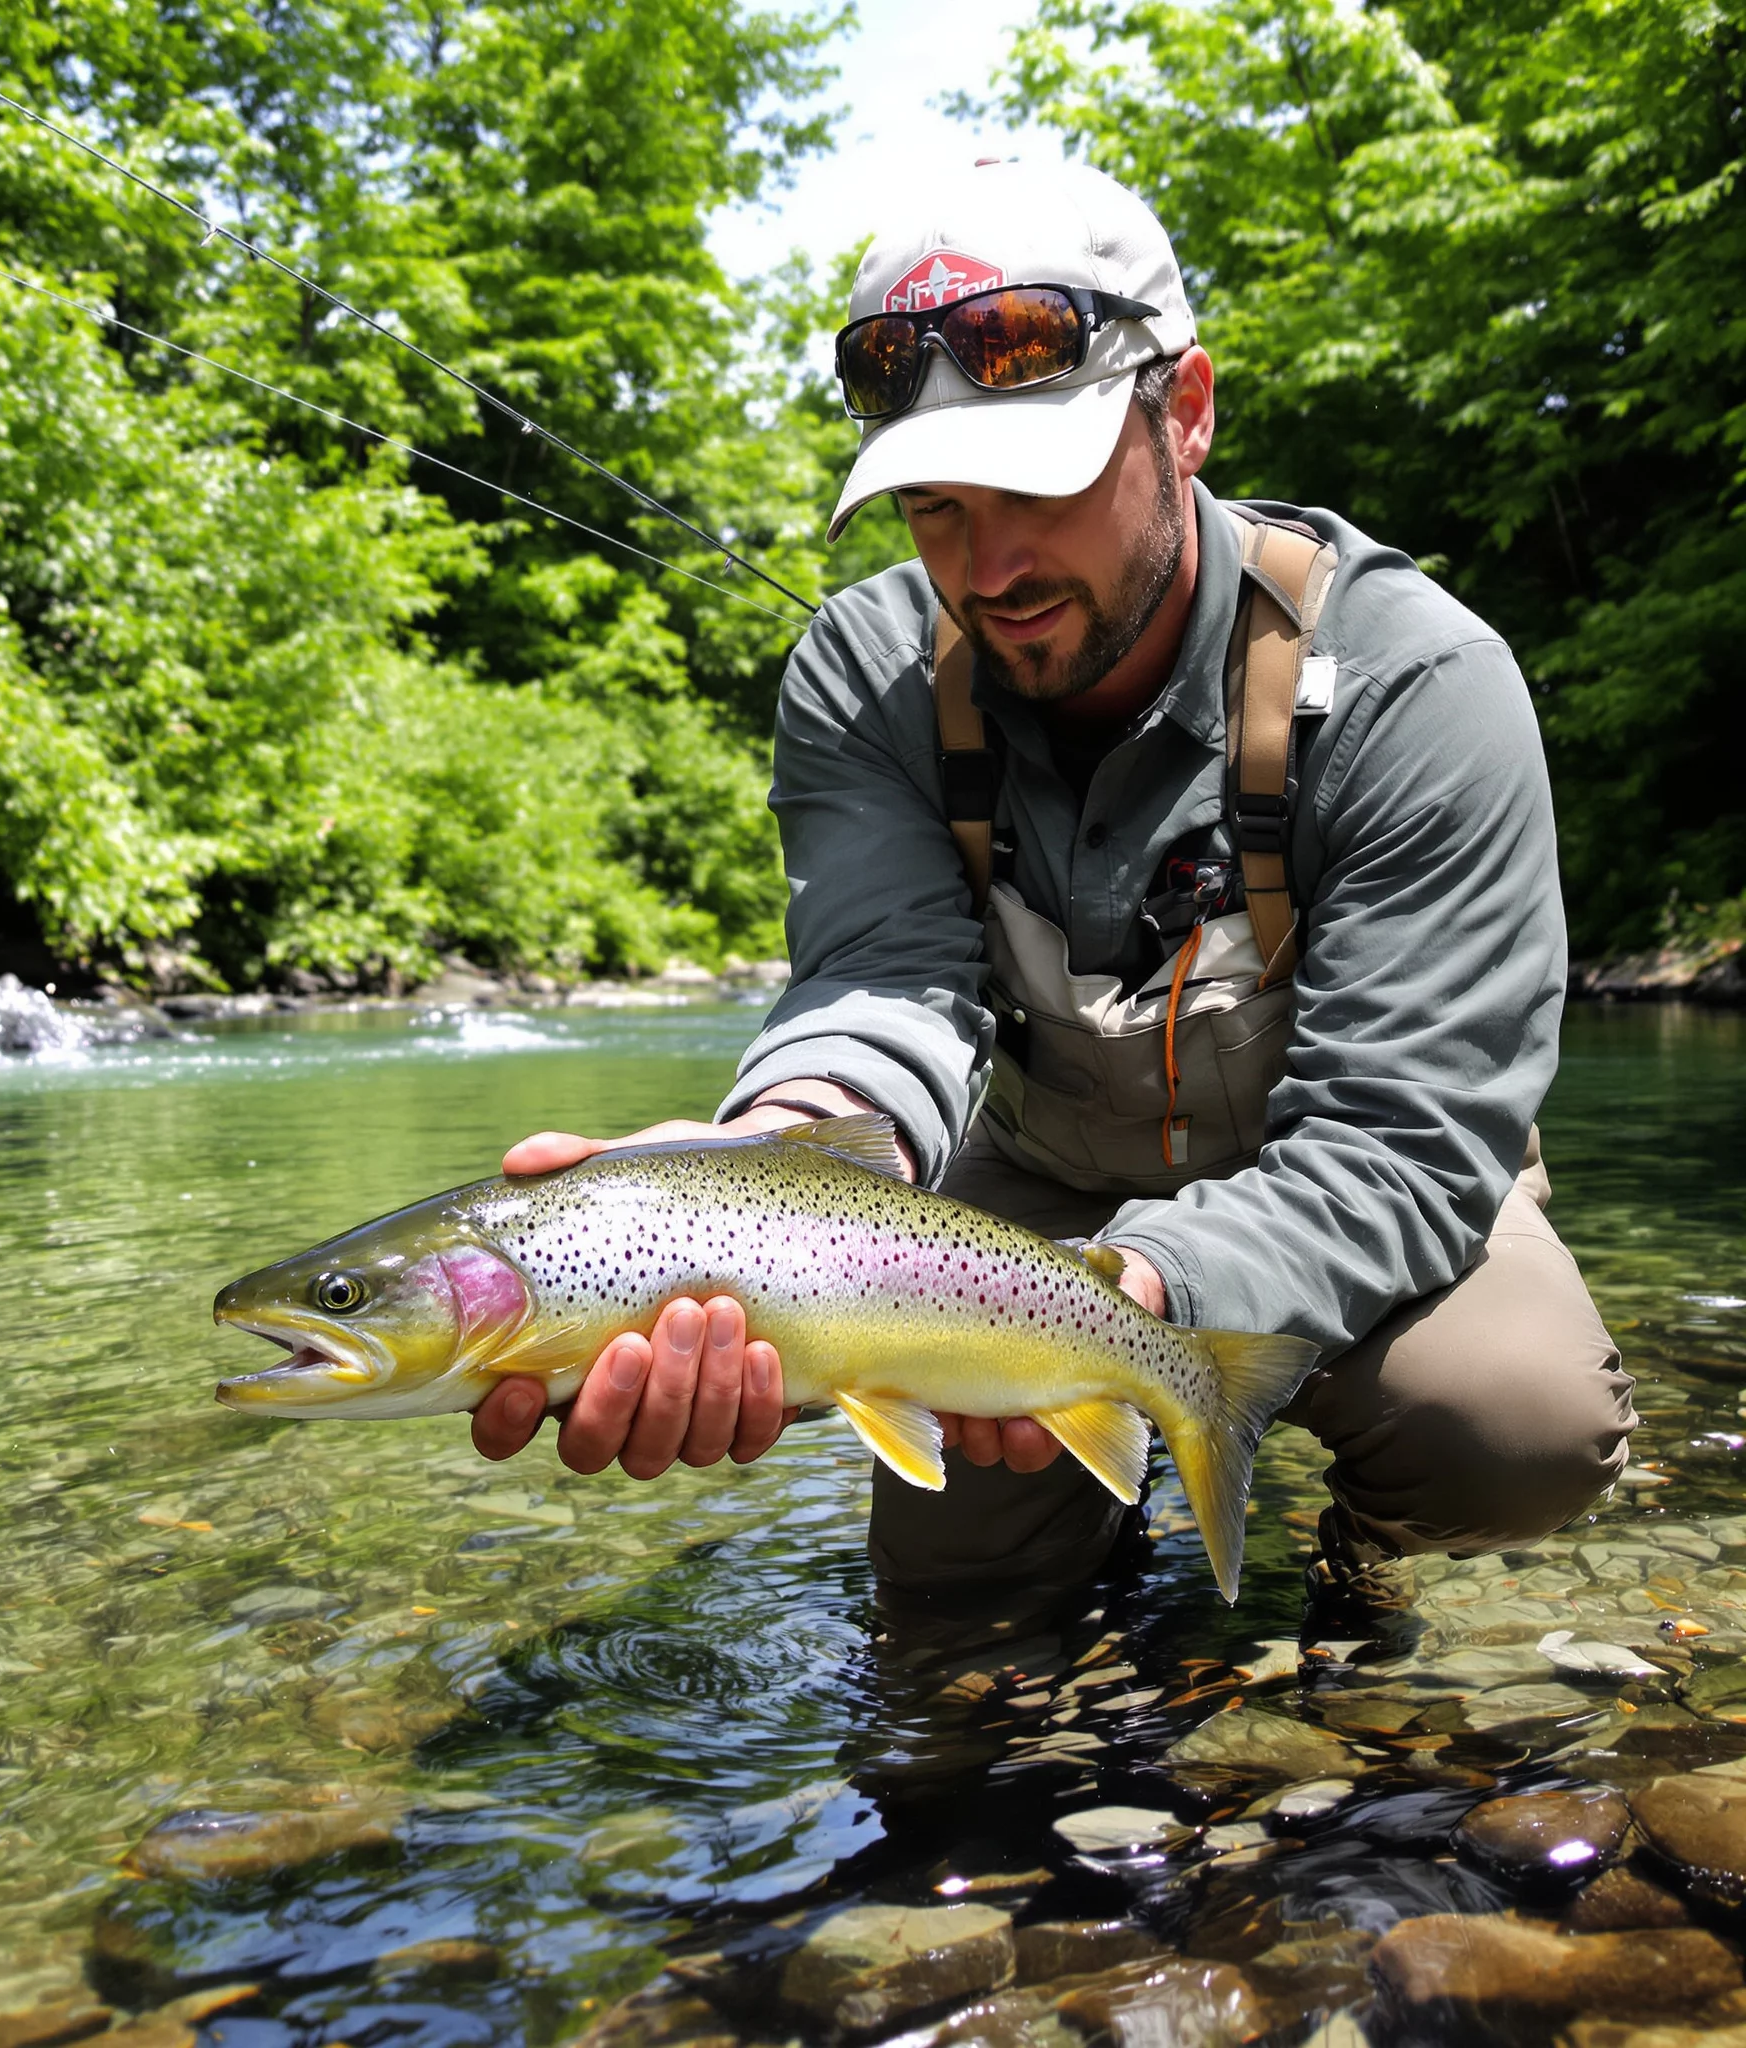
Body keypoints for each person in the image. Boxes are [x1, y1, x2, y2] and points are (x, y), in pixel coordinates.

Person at [471, 157, 1637, 1606]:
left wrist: (1133, 1295)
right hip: (1036, 1193)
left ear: (1186, 412)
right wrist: (773, 1161)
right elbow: (879, 978)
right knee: (961, 1621)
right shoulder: (862, 677)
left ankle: (1364, 1574)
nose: (993, 566)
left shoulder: (1417, 684)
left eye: (1043, 483)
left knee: (1511, 1423)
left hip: (1345, 1171)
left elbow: (1400, 1140)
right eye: (934, 507)